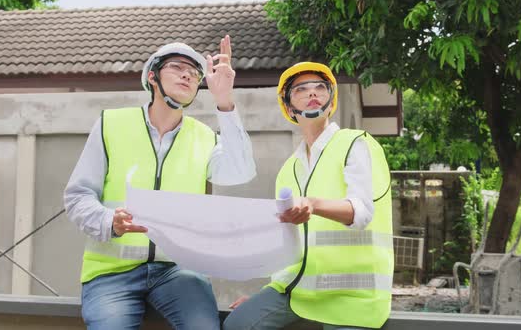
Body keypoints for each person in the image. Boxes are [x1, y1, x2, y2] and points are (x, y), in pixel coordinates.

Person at [64, 35, 256, 330]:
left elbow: (240, 171)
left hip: (178, 271)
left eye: (194, 73)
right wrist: (108, 220)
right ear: (152, 77)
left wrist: (225, 102)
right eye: (177, 67)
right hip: (111, 271)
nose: (187, 75)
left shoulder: (204, 136)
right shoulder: (111, 124)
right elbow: (78, 196)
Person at [223, 62, 393, 330]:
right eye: (302, 89)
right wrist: (267, 293)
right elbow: (288, 244)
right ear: (289, 106)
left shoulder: (354, 143)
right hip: (298, 292)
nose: (313, 93)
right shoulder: (288, 169)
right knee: (237, 324)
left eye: (320, 88)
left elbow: (361, 212)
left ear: (331, 99)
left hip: (353, 299)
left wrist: (313, 204)